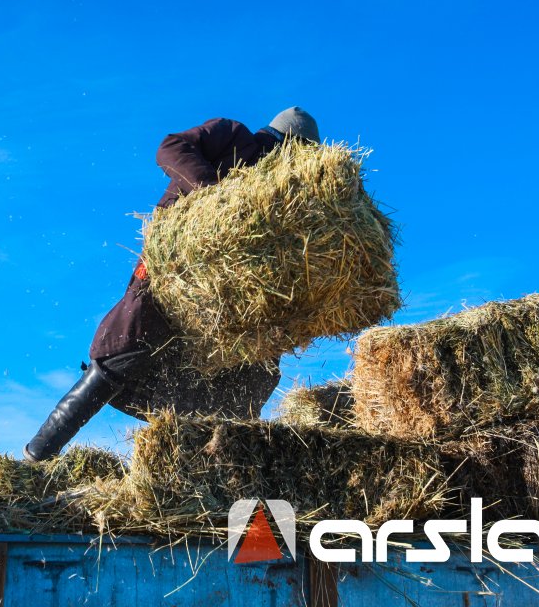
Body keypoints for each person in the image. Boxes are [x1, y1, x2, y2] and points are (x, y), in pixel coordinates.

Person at [23, 107, 321, 462]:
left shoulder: (283, 190)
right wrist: (213, 197)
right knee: (126, 346)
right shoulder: (235, 137)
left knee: (251, 372)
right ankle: (40, 452)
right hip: (174, 268)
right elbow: (171, 146)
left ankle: (206, 468)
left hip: (227, 297)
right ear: (287, 142)